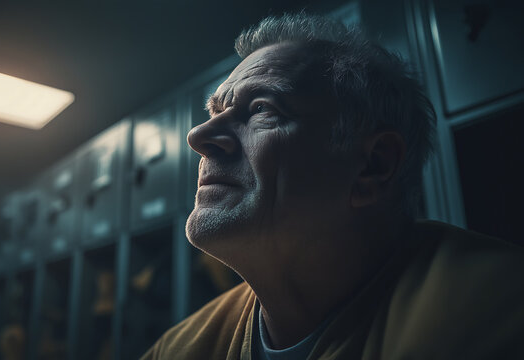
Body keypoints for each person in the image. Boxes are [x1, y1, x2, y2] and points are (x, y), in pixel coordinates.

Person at [141, 12, 524, 360]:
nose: (198, 135)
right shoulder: (178, 349)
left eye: (262, 109)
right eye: (216, 112)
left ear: (373, 166)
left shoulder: (497, 313)